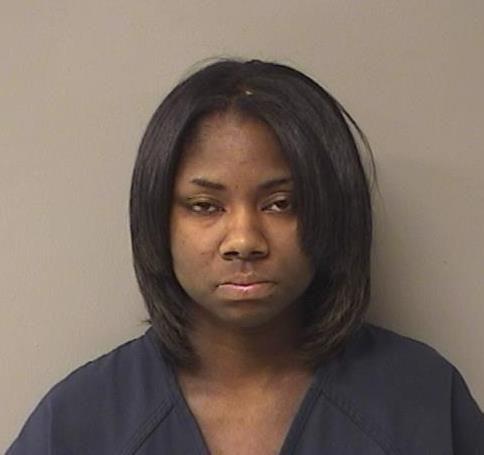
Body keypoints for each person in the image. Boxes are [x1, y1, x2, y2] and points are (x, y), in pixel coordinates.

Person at [8, 59, 484, 454]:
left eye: (281, 204)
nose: (244, 240)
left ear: (332, 210)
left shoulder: (422, 397)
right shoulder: (79, 422)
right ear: (158, 220)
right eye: (205, 206)